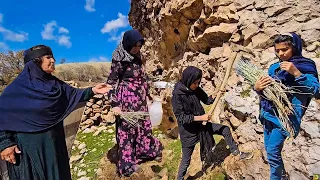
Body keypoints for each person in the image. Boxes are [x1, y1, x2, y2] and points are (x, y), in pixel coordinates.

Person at [0, 45, 112, 180]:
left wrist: (93, 90)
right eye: (48, 57)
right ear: (35, 62)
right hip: (27, 151)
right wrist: (5, 144)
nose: (53, 60)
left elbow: (74, 95)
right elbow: (2, 117)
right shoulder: (14, 92)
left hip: (53, 146)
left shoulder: (55, 85)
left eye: (52, 57)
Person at [254, 32, 320, 180]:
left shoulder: (305, 65)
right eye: (277, 50)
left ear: (295, 48)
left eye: (285, 49)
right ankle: (282, 176)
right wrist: (257, 88)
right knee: (270, 151)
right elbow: (267, 91)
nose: (281, 54)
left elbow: (315, 90)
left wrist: (296, 72)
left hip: (286, 118)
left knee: (272, 151)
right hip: (268, 114)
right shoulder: (274, 68)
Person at [172, 66, 253, 180]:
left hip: (202, 127)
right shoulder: (177, 95)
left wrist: (216, 95)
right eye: (195, 83)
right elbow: (181, 117)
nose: (197, 85)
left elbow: (207, 100)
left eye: (198, 82)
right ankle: (179, 178)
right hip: (188, 133)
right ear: (188, 80)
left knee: (224, 129)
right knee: (186, 159)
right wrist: (201, 117)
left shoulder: (196, 89)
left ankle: (237, 153)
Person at [106, 29, 163, 177]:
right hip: (126, 101)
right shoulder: (119, 58)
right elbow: (111, 83)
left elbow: (142, 78)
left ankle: (146, 152)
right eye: (135, 46)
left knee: (144, 127)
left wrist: (148, 95)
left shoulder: (137, 56)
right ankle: (127, 165)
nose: (137, 49)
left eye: (139, 46)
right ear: (127, 43)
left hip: (140, 99)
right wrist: (115, 105)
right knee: (128, 131)